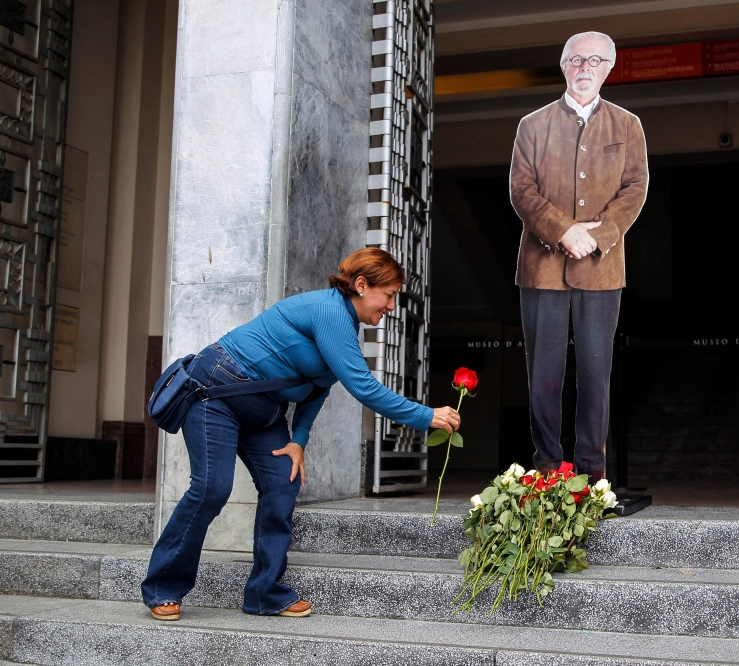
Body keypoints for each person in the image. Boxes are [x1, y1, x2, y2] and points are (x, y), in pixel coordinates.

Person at [141, 248, 461, 621]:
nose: (391, 305)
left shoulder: (346, 324)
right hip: (218, 392)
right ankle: (163, 587)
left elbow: (317, 388)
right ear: (361, 285)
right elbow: (363, 388)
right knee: (212, 487)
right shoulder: (329, 312)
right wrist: (426, 415)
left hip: (264, 411)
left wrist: (299, 440)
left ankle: (265, 592)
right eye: (389, 294)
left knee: (283, 480)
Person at [510, 31, 648, 481]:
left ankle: (591, 474)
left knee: (595, 377)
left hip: (602, 268)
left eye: (594, 61)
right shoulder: (532, 125)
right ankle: (547, 468)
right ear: (563, 66)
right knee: (544, 377)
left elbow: (635, 189)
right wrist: (563, 231)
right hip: (541, 269)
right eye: (575, 60)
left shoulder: (627, 125)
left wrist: (601, 233)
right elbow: (521, 191)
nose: (584, 68)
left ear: (609, 67)